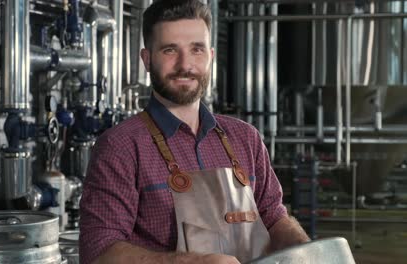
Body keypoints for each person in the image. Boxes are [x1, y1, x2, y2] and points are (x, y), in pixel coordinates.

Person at [79, 1, 310, 263]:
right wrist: (193, 262)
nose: (185, 64)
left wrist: (305, 249)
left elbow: (272, 215)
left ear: (210, 56)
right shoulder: (121, 146)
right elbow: (98, 251)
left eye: (196, 50)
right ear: (146, 59)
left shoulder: (246, 138)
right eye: (169, 50)